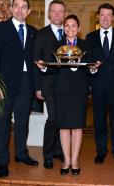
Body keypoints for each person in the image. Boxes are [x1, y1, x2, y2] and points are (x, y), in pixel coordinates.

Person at [0, 0, 38, 178]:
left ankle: (21, 154)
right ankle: (2, 161)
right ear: (10, 8)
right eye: (16, 6)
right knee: (1, 123)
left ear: (29, 11)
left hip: (26, 83)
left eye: (24, 7)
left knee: (22, 122)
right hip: (3, 84)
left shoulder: (33, 31)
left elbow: (34, 59)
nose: (19, 10)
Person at [36, 15, 93, 176]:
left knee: (77, 127)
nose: (70, 28)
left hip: (79, 91)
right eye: (67, 26)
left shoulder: (85, 45)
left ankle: (74, 161)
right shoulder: (57, 45)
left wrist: (94, 68)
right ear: (64, 28)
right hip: (60, 90)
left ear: (79, 28)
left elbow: (89, 68)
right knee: (63, 127)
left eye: (73, 25)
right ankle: (66, 160)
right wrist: (44, 68)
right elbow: (53, 68)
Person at [86, 3, 114, 164]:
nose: (105, 18)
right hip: (97, 86)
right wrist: (93, 70)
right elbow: (89, 64)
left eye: (108, 15)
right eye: (102, 15)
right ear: (98, 16)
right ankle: (101, 151)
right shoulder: (90, 38)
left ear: (113, 17)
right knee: (99, 120)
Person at [33, 0, 65, 169]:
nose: (57, 14)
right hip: (48, 84)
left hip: (65, 85)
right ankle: (48, 154)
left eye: (60, 11)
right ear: (49, 14)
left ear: (64, 14)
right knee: (53, 119)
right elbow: (35, 61)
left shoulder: (69, 34)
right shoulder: (41, 34)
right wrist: (38, 87)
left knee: (63, 118)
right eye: (54, 11)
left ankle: (60, 150)